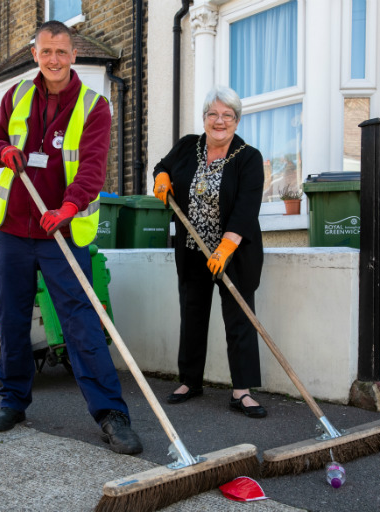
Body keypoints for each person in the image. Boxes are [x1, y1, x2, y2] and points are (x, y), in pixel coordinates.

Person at [0, 20, 142, 454]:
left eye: (62, 52)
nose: (54, 60)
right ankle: (13, 402)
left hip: (62, 234)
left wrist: (68, 209)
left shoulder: (95, 105)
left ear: (74, 55)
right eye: (46, 52)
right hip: (13, 229)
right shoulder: (16, 96)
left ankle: (111, 414)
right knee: (12, 320)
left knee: (81, 323)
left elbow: (92, 168)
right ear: (36, 54)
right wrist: (3, 152)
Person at [152, 86, 267, 418]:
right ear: (204, 118)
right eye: (213, 114)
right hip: (191, 249)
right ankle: (190, 380)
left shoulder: (248, 157)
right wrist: (161, 177)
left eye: (227, 115)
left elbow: (246, 209)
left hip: (234, 252)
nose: (220, 121)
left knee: (239, 318)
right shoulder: (190, 146)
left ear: (236, 120)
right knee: (192, 313)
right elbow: (163, 165)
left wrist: (225, 248)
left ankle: (242, 391)